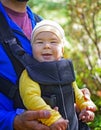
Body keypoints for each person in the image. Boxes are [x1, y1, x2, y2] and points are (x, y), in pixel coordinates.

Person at [0, 0, 96, 130]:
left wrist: (76, 102)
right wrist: (12, 121)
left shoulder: (43, 25)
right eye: (40, 43)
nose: (46, 46)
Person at [19, 20, 97, 130]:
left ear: (62, 49)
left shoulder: (65, 69)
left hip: (75, 125)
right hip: (49, 125)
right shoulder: (30, 73)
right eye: (39, 42)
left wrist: (84, 105)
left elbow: (76, 92)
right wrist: (52, 118)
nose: (46, 46)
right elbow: (31, 98)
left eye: (53, 42)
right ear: (32, 48)